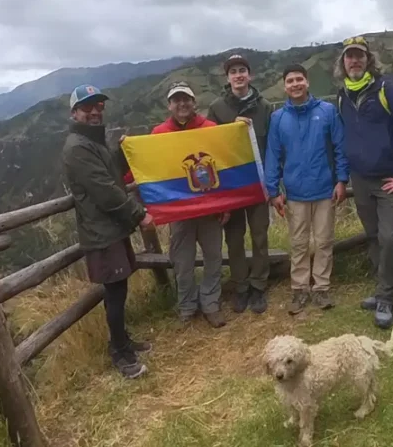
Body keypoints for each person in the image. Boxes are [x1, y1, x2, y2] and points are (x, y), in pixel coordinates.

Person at [61, 84, 153, 379]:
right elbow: (104, 191)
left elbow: (110, 172)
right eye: (88, 107)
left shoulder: (91, 142)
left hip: (109, 230)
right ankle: (119, 353)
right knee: (114, 292)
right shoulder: (77, 147)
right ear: (74, 112)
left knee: (119, 287)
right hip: (101, 233)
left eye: (99, 105)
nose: (95, 111)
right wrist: (139, 215)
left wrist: (124, 154)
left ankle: (123, 342)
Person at [335, 36, 393, 329]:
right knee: (373, 236)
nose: (354, 61)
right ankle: (382, 288)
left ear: (368, 60)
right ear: (343, 63)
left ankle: (386, 296)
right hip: (360, 179)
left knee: (389, 238)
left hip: (388, 179)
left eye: (360, 56)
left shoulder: (386, 89)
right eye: (350, 57)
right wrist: (344, 176)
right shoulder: (342, 95)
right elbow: (345, 138)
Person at [264, 64, 349, 315]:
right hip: (294, 193)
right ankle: (300, 288)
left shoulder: (327, 112)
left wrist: (342, 180)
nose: (295, 84)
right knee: (299, 243)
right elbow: (273, 155)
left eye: (299, 79)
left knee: (324, 241)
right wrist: (273, 190)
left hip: (324, 189)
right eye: (290, 81)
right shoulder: (278, 119)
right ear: (284, 86)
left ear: (307, 82)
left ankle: (321, 288)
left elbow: (340, 148)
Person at [152, 81, 229, 329]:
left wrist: (226, 205)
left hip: (210, 209)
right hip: (180, 212)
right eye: (177, 100)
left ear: (194, 102)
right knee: (182, 262)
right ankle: (186, 306)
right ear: (169, 105)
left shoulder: (211, 129)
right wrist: (125, 152)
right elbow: (149, 171)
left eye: (186, 99)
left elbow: (224, 167)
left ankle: (210, 303)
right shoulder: (158, 134)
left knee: (213, 258)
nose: (182, 103)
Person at [207, 54, 272, 315]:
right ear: (228, 78)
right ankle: (241, 287)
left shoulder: (266, 107)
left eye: (242, 70)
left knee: (259, 236)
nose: (238, 75)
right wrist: (229, 130)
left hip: (258, 183)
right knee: (234, 239)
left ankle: (259, 285)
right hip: (232, 186)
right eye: (233, 71)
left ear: (250, 75)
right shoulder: (217, 108)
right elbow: (211, 143)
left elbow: (273, 144)